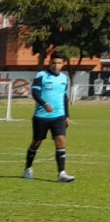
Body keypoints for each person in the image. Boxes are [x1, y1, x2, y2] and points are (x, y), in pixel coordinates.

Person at [24, 52, 74, 182]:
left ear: (63, 64)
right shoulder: (41, 75)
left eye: (59, 63)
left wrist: (66, 115)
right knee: (36, 142)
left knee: (61, 141)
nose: (56, 65)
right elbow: (35, 93)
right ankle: (28, 168)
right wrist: (44, 104)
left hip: (59, 116)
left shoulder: (64, 78)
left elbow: (64, 97)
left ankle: (62, 173)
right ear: (49, 63)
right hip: (41, 116)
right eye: (53, 63)